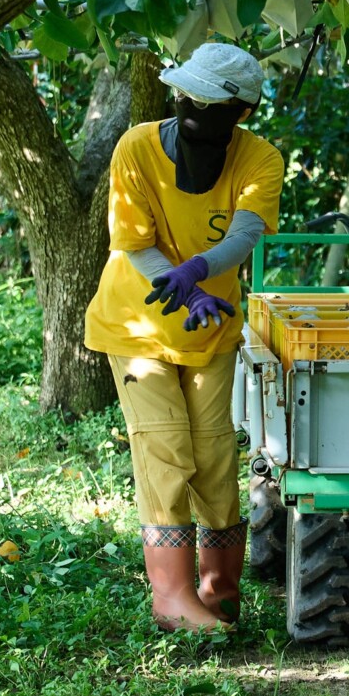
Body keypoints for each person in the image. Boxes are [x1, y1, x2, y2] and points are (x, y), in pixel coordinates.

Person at [83, 42, 281, 633]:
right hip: (135, 325)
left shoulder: (259, 159)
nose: (193, 110)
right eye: (188, 98)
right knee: (166, 449)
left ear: (241, 113)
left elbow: (246, 233)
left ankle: (218, 592)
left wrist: (199, 274)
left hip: (212, 329)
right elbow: (135, 243)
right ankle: (170, 598)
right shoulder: (138, 147)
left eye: (211, 104)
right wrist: (185, 288)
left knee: (216, 457)